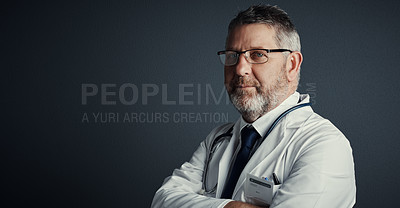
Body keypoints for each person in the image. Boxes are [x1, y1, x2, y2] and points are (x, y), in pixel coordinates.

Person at [151, 5, 356, 208]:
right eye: (232, 55)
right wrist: (233, 207)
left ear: (291, 65)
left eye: (257, 54)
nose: (240, 69)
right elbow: (162, 200)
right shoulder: (217, 140)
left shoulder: (323, 145)